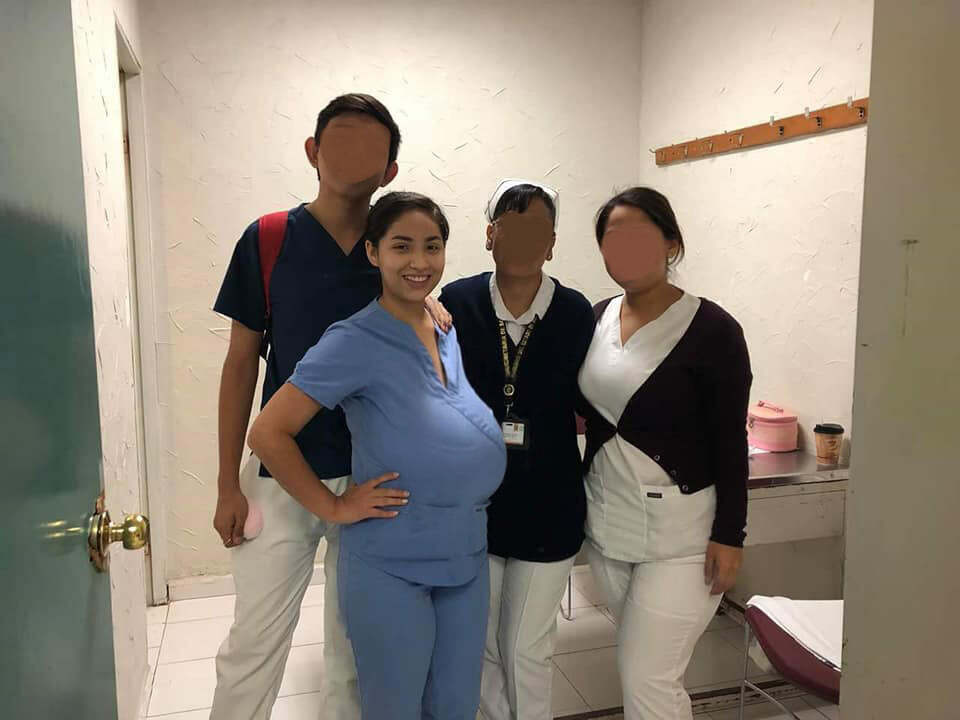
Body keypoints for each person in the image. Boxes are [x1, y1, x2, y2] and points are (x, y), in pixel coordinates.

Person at [209, 94, 449, 720]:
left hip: (375, 478)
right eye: (339, 140)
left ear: (389, 170)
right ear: (313, 152)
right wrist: (226, 485)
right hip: (280, 474)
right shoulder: (268, 240)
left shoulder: (395, 252)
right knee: (254, 645)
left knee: (356, 650)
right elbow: (240, 365)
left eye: (372, 148)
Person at [248, 192, 507, 720]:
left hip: (464, 556)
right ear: (373, 253)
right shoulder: (354, 340)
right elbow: (269, 433)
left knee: (457, 706)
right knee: (395, 708)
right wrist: (334, 506)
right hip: (393, 563)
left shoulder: (442, 327)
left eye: (432, 246)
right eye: (401, 246)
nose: (419, 261)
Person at [577, 187, 752, 720]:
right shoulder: (596, 317)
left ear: (671, 243)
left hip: (682, 539)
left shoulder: (714, 331)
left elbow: (730, 442)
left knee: (647, 678)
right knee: (645, 670)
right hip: (607, 526)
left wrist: (730, 535)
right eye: (613, 238)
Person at [438, 180, 595, 720]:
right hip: (474, 505)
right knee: (480, 644)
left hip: (550, 504)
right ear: (490, 235)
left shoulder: (575, 313)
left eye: (538, 230)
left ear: (552, 244)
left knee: (526, 646)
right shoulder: (456, 303)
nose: (525, 241)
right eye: (512, 226)